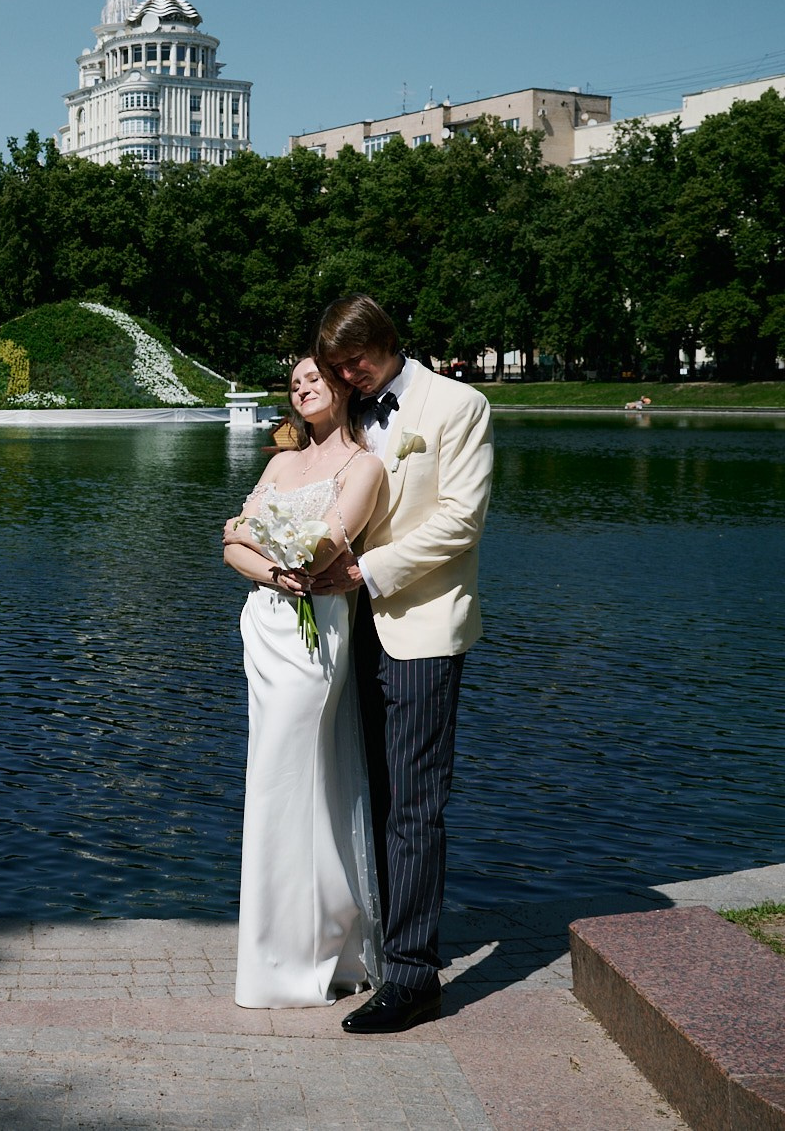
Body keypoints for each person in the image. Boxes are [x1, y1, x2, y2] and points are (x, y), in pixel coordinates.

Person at [309, 294, 493, 1034]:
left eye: (354, 363)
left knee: (415, 805)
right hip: (348, 629)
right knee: (368, 796)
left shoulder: (458, 405)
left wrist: (366, 571)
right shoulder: (348, 409)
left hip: (421, 626)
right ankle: (381, 950)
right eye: (338, 367)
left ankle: (414, 978)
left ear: (386, 342)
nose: (347, 377)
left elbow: (460, 521)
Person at [222, 354, 385, 1007]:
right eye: (294, 383)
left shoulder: (364, 466)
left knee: (282, 779)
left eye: (314, 378)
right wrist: (272, 569)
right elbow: (230, 548)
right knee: (278, 781)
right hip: (266, 624)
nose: (303, 388)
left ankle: (298, 957)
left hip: (316, 634)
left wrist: (257, 536)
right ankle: (304, 946)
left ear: (343, 385)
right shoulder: (281, 463)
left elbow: (323, 550)